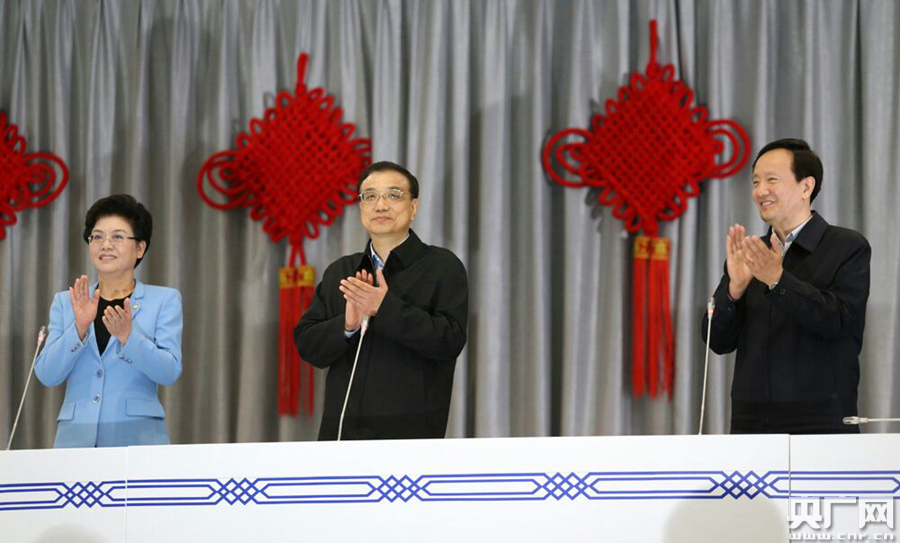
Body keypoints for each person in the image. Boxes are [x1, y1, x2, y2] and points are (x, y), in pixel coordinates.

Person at [702, 139, 870, 434]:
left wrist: (778, 281)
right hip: (751, 424)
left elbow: (842, 321)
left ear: (806, 187)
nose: (760, 191)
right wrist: (733, 291)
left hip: (821, 423)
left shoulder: (846, 246)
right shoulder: (752, 253)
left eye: (772, 180)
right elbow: (716, 341)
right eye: (756, 181)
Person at [295, 161, 468, 440]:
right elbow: (308, 346)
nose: (381, 205)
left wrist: (384, 307)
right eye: (370, 196)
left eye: (393, 195)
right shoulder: (342, 271)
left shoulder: (441, 266)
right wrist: (347, 325)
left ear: (413, 207)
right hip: (340, 437)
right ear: (361, 207)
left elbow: (450, 341)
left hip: (411, 435)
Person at [35, 195, 182, 447]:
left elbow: (169, 372)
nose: (105, 245)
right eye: (97, 237)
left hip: (138, 441)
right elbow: (47, 375)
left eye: (117, 237)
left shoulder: (164, 300)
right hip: (75, 442)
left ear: (140, 248)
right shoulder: (66, 301)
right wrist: (79, 329)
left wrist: (129, 338)